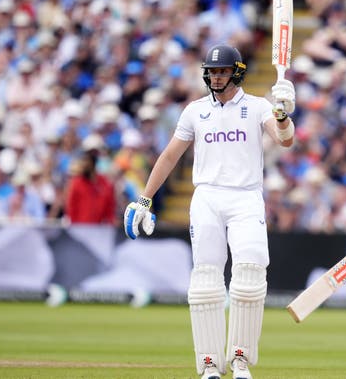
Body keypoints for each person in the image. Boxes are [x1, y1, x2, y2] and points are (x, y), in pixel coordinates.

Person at [123, 44, 296, 379]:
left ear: (237, 72)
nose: (216, 77)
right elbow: (170, 156)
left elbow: (284, 140)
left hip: (246, 197)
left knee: (249, 275)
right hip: (207, 198)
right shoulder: (194, 111)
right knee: (205, 279)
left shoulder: (259, 106)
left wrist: (283, 114)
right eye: (212, 71)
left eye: (222, 71)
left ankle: (241, 360)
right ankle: (208, 364)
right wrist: (145, 198)